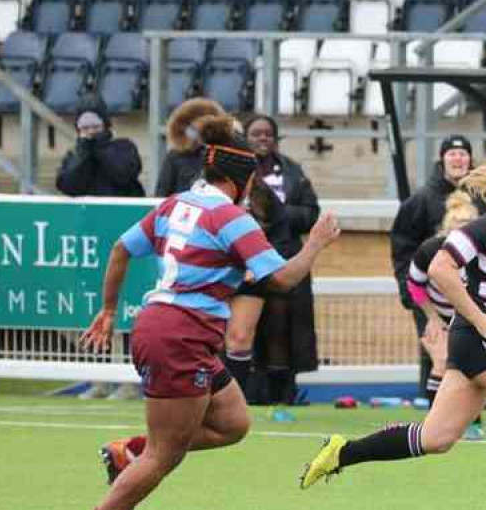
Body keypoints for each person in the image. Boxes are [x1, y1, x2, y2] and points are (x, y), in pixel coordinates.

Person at [300, 145, 486, 510]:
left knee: (436, 437)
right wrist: (481, 318)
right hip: (479, 336)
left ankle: (341, 453)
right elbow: (440, 268)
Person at [80, 114, 341, 510]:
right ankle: (131, 466)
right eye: (251, 182)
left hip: (173, 330)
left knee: (233, 423)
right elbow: (283, 279)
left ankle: (128, 452)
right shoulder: (232, 217)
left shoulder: (175, 204)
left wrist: (109, 309)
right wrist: (316, 243)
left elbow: (120, 249)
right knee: (163, 456)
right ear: (241, 180)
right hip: (179, 335)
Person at [222, 115, 321, 407]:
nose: (262, 138)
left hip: (284, 259)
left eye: (268, 133)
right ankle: (242, 393)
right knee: (241, 332)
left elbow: (310, 213)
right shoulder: (232, 175)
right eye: (256, 133)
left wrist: (274, 213)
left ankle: (282, 392)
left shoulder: (293, 172)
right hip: (242, 264)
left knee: (282, 328)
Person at [57, 94, 145, 400]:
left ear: (107, 124)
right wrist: (85, 150)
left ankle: (128, 380)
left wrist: (99, 146)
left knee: (125, 310)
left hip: (125, 246)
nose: (90, 131)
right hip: (89, 245)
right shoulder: (76, 154)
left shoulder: (123, 148)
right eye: (85, 127)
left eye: (96, 125)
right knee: (91, 310)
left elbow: (124, 174)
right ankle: (100, 376)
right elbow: (68, 184)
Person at [390, 134, 476, 397]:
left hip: (471, 293)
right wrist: (411, 296)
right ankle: (434, 410)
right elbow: (402, 248)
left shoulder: (483, 195)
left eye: (463, 154)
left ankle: (469, 412)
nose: (458, 158)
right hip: (429, 295)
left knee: (469, 353)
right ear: (442, 159)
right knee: (437, 351)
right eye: (452, 153)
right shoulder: (420, 200)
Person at [406, 190, 486, 439]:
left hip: (467, 314)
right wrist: (433, 318)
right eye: (460, 225)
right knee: (441, 361)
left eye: (470, 225)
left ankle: (472, 422)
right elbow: (414, 285)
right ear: (448, 227)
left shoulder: (482, 251)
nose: (465, 230)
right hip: (435, 312)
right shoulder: (430, 250)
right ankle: (434, 422)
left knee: (473, 368)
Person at [154, 98, 226, 197]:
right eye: (192, 126)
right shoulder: (175, 156)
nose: (198, 130)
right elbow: (162, 194)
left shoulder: (225, 155)